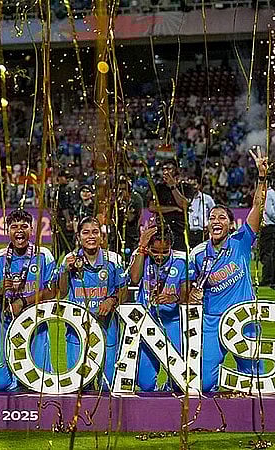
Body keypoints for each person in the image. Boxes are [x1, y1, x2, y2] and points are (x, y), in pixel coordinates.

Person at [189, 148, 268, 392]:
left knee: (257, 382)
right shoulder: (198, 254)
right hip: (213, 320)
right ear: (207, 224)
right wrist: (191, 295)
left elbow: (258, 205)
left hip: (243, 316)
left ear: (231, 224)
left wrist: (262, 177)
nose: (216, 221)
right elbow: (188, 289)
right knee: (204, 383)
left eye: (222, 217)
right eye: (212, 217)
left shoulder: (241, 241)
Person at [56, 216, 127, 390]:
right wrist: (65, 271)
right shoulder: (70, 260)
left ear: (102, 236)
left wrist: (112, 299)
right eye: (86, 232)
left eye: (95, 232)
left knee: (107, 385)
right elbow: (61, 292)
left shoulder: (114, 259)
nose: (91, 236)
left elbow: (124, 292)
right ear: (78, 237)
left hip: (107, 328)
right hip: (77, 330)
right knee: (80, 385)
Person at [0, 209, 56, 391]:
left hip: (36, 322)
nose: (19, 230)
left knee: (39, 380)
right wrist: (0, 291)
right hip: (7, 322)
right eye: (14, 227)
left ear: (32, 230)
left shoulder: (44, 255)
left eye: (24, 226)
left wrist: (24, 302)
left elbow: (52, 291)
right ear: (7, 230)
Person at [127, 223, 187, 391]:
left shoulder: (182, 260)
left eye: (165, 252)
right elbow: (135, 278)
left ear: (171, 246)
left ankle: (168, 389)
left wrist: (174, 298)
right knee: (145, 384)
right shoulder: (141, 255)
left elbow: (187, 294)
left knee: (178, 381)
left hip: (172, 322)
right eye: (155, 251)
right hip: (147, 322)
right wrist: (141, 247)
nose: (159, 256)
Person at [148, 160, 189, 251]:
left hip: (180, 231)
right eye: (164, 169)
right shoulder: (158, 187)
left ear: (176, 170)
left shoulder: (185, 187)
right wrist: (174, 208)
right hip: (162, 231)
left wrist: (172, 186)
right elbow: (152, 207)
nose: (165, 172)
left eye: (169, 169)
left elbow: (184, 205)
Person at [111, 177, 144, 260]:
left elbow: (130, 219)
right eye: (119, 189)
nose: (121, 192)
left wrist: (124, 205)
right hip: (116, 236)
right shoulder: (115, 200)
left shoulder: (136, 199)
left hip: (131, 236)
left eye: (123, 189)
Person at [186, 175, 215, 248]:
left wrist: (208, 225)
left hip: (202, 232)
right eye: (190, 185)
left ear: (199, 185)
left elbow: (214, 213)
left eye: (194, 185)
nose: (192, 187)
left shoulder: (207, 198)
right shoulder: (184, 199)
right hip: (188, 232)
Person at [53, 171, 76, 259]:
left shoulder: (58, 190)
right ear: (59, 178)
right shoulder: (63, 190)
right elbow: (64, 207)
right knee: (68, 244)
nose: (67, 179)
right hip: (64, 220)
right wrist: (68, 221)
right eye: (65, 177)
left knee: (60, 244)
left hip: (60, 219)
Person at [260, 176, 275, 287]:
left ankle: (267, 278)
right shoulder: (271, 193)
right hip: (271, 227)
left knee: (267, 253)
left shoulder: (269, 194)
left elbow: (270, 212)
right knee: (270, 253)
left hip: (269, 227)